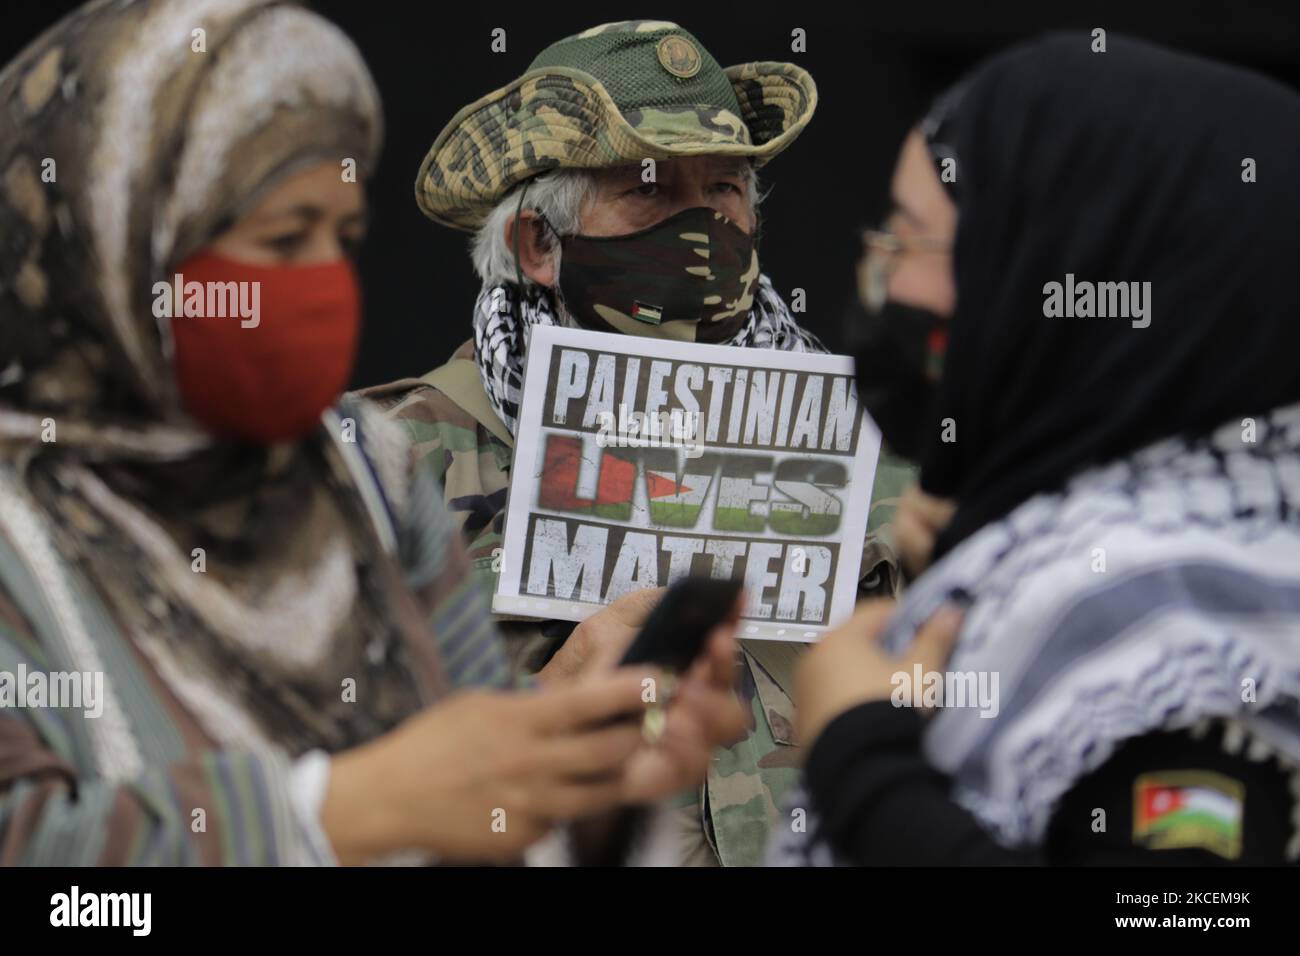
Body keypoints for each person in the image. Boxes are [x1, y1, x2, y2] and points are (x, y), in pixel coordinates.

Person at [0, 0, 743, 866]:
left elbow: (494, 819)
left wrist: (597, 785)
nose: (322, 282)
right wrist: (337, 810)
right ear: (118, 248)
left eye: (343, 238)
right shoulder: (22, 530)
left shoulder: (367, 478)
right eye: (283, 240)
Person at [361, 19, 917, 867]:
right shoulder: (388, 474)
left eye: (725, 188)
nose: (703, 226)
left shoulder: (869, 458)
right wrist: (555, 695)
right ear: (538, 245)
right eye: (650, 190)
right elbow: (331, 808)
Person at [778, 33, 1300, 865]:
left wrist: (861, 758)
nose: (882, 276)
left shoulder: (1173, 624)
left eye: (910, 236)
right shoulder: (1189, 552)